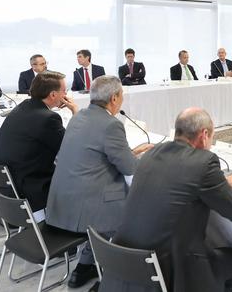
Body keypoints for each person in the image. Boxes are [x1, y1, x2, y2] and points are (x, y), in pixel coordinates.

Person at [102, 108, 232, 292]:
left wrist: (221, 181)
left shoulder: (152, 154)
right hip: (172, 271)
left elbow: (173, 176)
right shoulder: (205, 161)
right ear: (204, 135)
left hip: (125, 263)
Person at [47, 76, 153, 291]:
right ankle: (114, 276)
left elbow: (95, 155)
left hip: (61, 200)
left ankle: (85, 265)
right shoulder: (111, 124)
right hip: (85, 207)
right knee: (139, 203)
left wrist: (131, 153)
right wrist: (141, 159)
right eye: (121, 96)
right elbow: (129, 168)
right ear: (114, 98)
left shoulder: (79, 116)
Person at [0, 71, 77, 217]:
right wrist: (75, 112)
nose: (66, 94)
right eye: (64, 90)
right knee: (84, 180)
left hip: (9, 186)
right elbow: (72, 149)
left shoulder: (24, 106)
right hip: (32, 188)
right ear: (53, 95)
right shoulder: (48, 118)